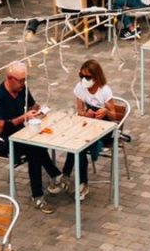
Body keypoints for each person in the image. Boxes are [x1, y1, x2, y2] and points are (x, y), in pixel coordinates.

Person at [0, 61, 62, 214]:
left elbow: (32, 105)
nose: (23, 84)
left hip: (22, 133)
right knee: (34, 149)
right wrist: (23, 117)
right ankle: (41, 191)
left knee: (39, 141)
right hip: (2, 140)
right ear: (9, 78)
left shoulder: (21, 89)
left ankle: (55, 177)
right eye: (20, 81)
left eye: (24, 80)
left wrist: (36, 111)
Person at [49, 59, 115, 200]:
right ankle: (74, 180)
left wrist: (105, 111)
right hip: (88, 126)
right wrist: (86, 114)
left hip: (104, 129)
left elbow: (114, 115)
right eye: (81, 76)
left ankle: (73, 179)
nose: (84, 79)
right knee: (75, 142)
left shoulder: (104, 91)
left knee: (80, 147)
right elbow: (79, 111)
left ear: (96, 77)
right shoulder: (80, 87)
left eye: (87, 77)